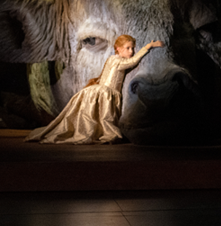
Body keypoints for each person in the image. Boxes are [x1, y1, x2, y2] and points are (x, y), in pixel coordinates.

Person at [26, 35, 165, 144]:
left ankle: (92, 130)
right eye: (128, 48)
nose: (131, 51)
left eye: (132, 48)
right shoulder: (117, 60)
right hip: (105, 91)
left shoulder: (112, 59)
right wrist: (148, 46)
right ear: (118, 49)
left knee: (92, 116)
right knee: (103, 117)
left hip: (100, 90)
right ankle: (98, 132)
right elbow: (133, 61)